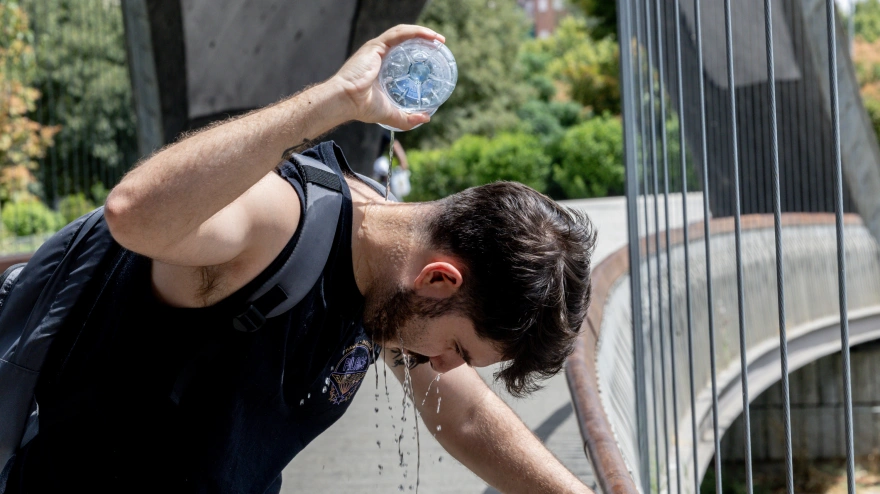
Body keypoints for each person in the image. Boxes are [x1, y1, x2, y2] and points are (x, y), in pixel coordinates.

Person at [4, 25, 597, 493]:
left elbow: (468, 421)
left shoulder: (392, 297)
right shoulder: (280, 223)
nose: (445, 368)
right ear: (438, 277)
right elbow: (132, 212)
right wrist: (334, 101)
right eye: (458, 350)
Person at [373, 128, 411, 198]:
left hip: (376, 164)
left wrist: (403, 162)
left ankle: (387, 193)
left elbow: (394, 144)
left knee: (383, 166)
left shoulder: (378, 130)